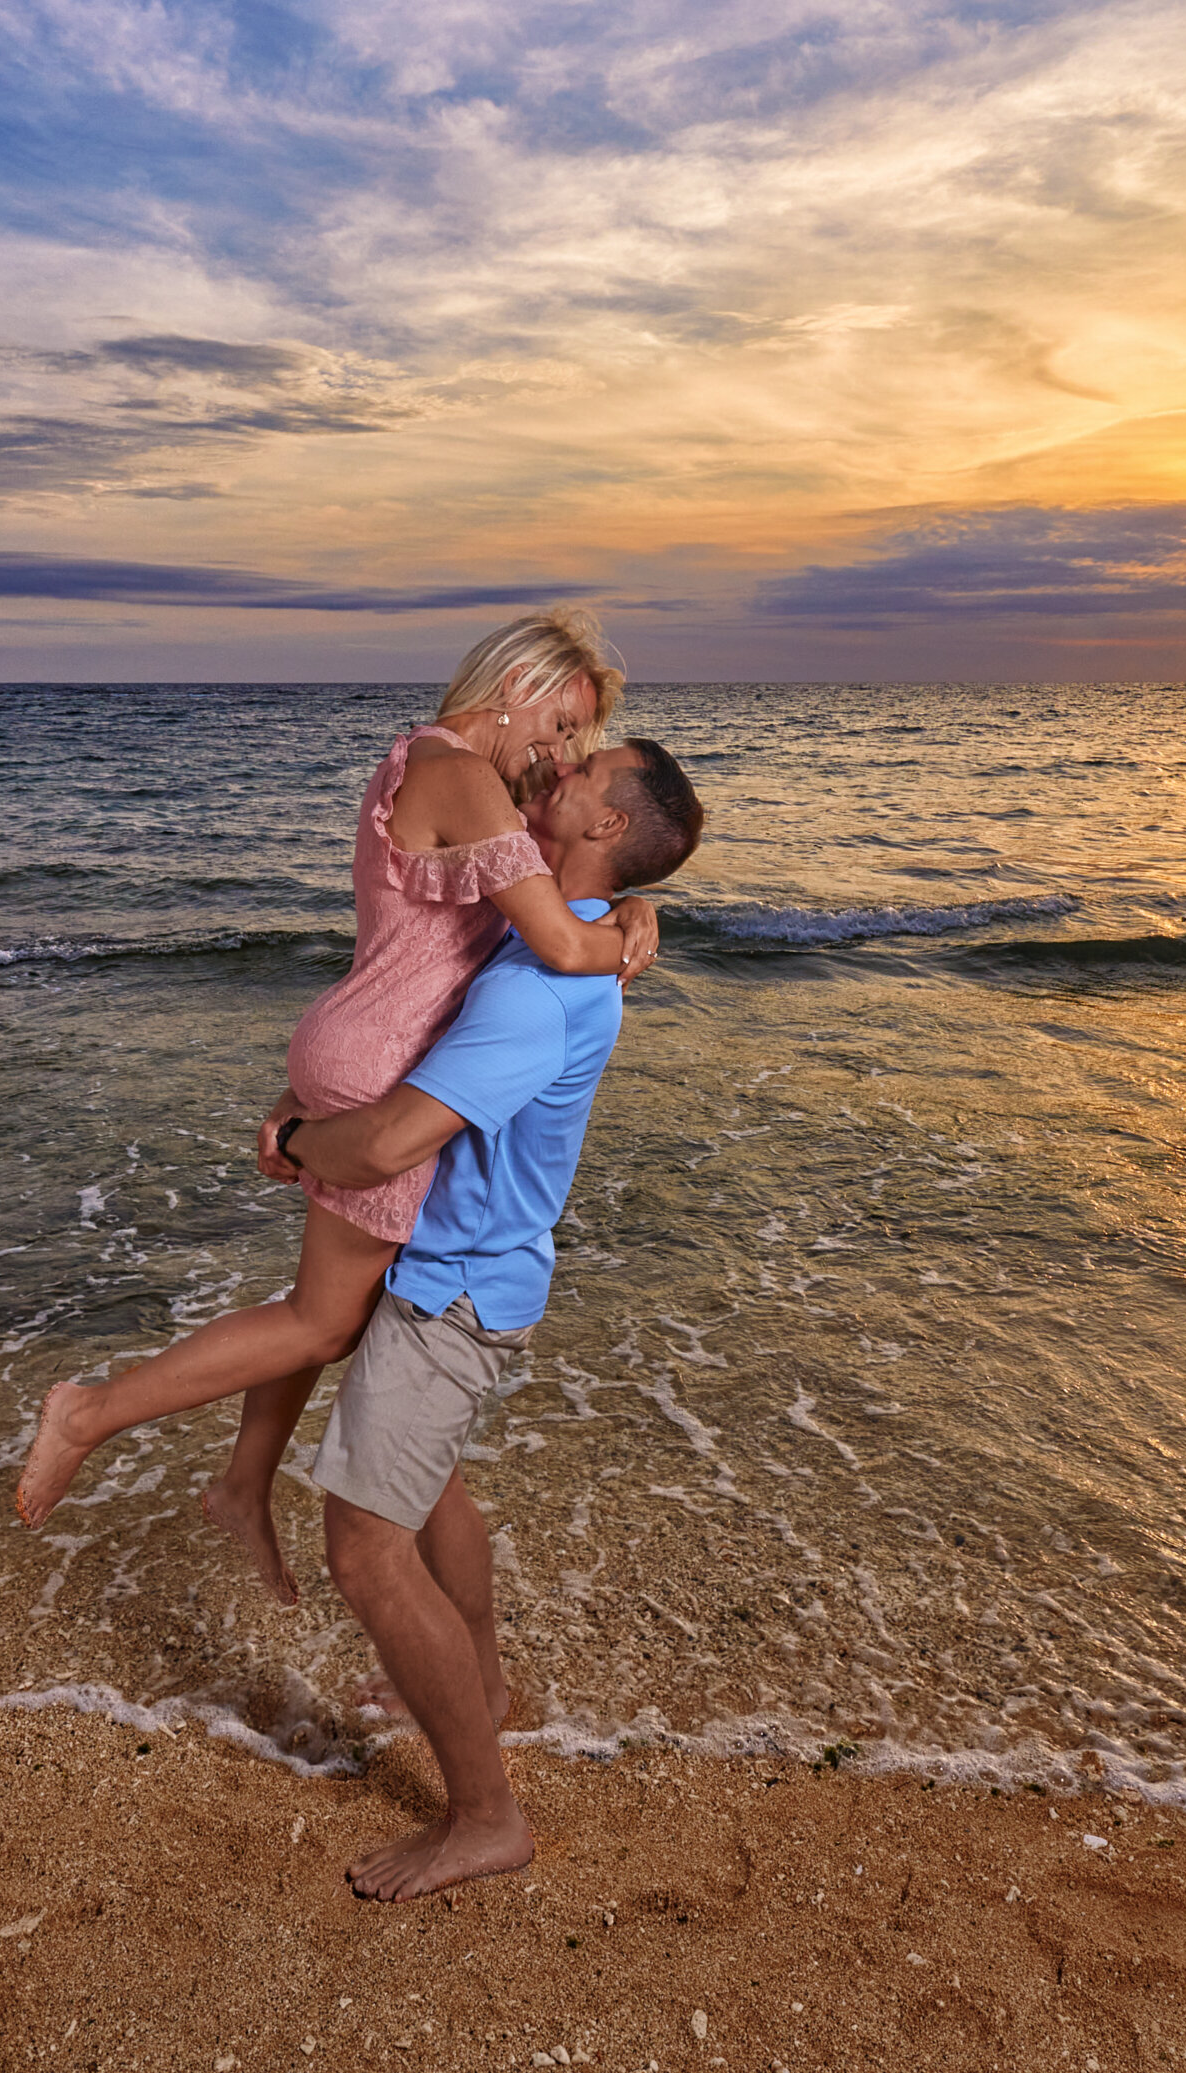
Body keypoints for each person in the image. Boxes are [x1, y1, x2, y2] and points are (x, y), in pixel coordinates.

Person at [14, 608, 661, 1568]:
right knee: (325, 1319)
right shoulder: (467, 778)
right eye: (560, 724)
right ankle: (90, 1415)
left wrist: (636, 890)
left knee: (320, 1308)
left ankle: (242, 1484)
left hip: (355, 1038)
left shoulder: (431, 761)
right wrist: (633, 939)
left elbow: (575, 867)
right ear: (512, 683)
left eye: (578, 741)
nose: (562, 754)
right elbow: (563, 941)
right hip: (384, 1065)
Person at [266, 732, 704, 1902]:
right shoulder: (556, 942)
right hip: (473, 1269)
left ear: (606, 827)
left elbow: (401, 1137)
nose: (555, 776)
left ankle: (484, 1812)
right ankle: (490, 1685)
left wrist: (293, 1141)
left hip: (451, 1288)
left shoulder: (533, 990)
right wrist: (624, 924)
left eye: (581, 774)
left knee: (363, 1546)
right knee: (437, 1487)